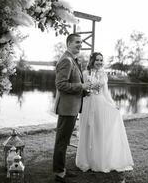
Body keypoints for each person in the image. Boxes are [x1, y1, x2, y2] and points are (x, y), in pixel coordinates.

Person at [76, 52, 134, 173]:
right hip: (87, 104)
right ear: (92, 60)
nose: (99, 62)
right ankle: (86, 160)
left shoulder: (103, 74)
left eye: (101, 60)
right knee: (87, 131)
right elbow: (82, 89)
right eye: (97, 60)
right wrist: (85, 91)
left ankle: (98, 160)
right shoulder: (85, 73)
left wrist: (113, 105)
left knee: (99, 131)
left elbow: (106, 93)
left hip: (100, 104)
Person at [53, 33, 91, 183]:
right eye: (77, 42)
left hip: (72, 107)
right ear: (68, 43)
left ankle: (61, 170)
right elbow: (60, 85)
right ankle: (59, 173)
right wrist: (81, 86)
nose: (80, 45)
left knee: (65, 140)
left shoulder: (73, 60)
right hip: (67, 108)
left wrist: (85, 90)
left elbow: (72, 83)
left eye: (81, 42)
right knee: (62, 141)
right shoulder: (67, 60)